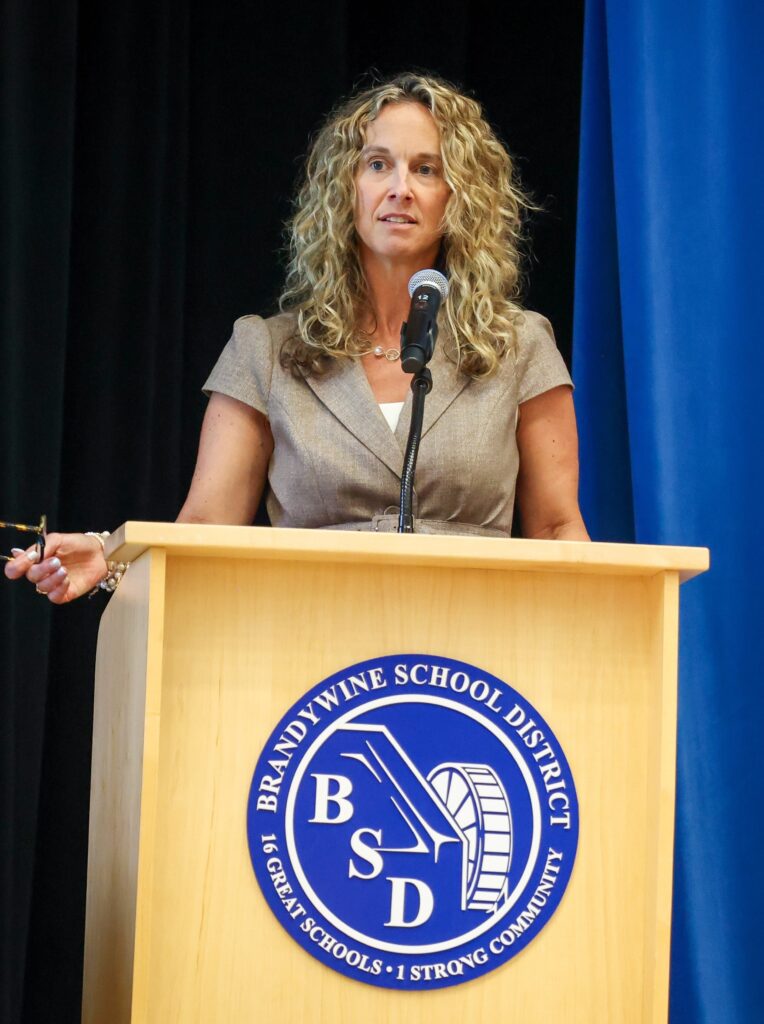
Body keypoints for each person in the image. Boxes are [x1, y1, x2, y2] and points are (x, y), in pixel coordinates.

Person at [4, 72, 588, 604]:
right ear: (345, 190)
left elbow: (559, 528)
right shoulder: (265, 350)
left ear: (459, 199)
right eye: (377, 164)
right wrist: (111, 558)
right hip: (309, 654)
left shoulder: (520, 345)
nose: (400, 188)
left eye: (427, 169)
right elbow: (205, 528)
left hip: (481, 654)